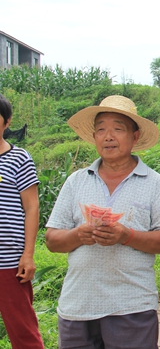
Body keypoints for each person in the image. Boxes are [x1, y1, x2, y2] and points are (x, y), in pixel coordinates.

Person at [45, 95, 160, 349]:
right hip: (78, 307)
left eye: (118, 129)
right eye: (101, 130)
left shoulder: (154, 183)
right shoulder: (76, 181)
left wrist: (125, 235)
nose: (108, 136)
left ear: (135, 136)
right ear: (94, 137)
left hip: (131, 306)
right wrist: (79, 235)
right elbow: (52, 240)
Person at [0, 94, 44, 349]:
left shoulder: (19, 159)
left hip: (9, 261)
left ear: (7, 123)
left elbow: (32, 207)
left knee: (23, 330)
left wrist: (28, 255)